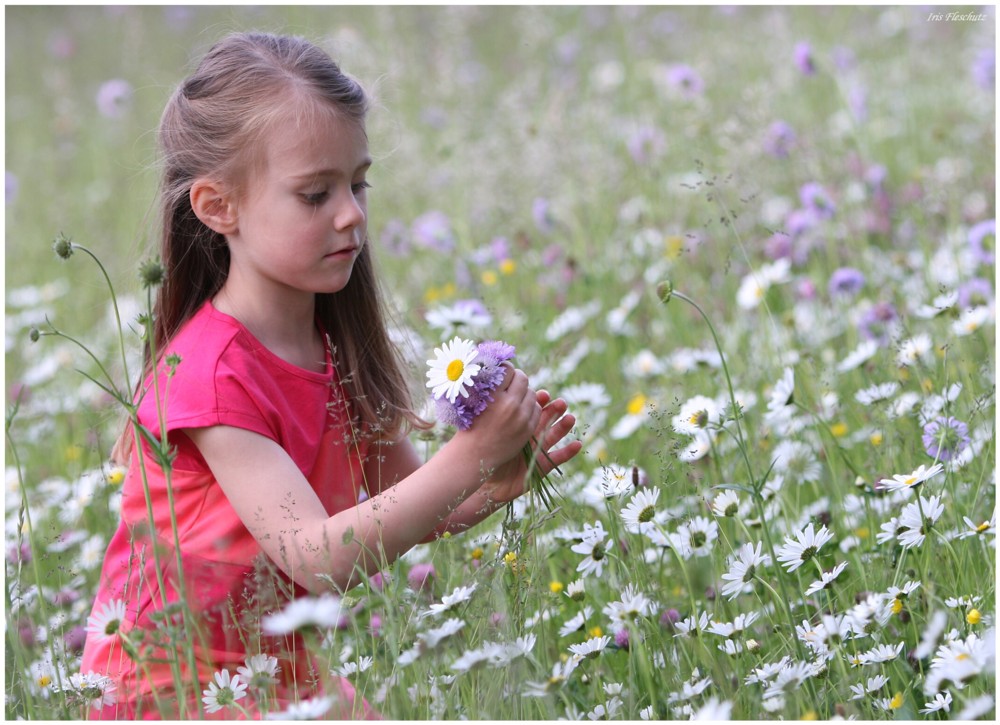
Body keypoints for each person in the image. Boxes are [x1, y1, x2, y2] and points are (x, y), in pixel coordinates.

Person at [80, 31, 582, 720]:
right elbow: (316, 555)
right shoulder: (210, 374)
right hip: (173, 690)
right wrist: (466, 455)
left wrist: (494, 479)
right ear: (218, 206)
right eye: (315, 194)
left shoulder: (332, 346)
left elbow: (405, 503)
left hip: (278, 674)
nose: (351, 213)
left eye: (357, 182)